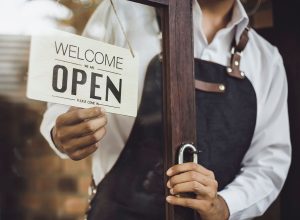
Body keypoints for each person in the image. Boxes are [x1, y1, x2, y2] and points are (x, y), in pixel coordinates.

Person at [40, 0, 291, 219]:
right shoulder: (122, 12)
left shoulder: (267, 60)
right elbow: (64, 103)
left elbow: (269, 163)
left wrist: (224, 205)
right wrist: (60, 132)